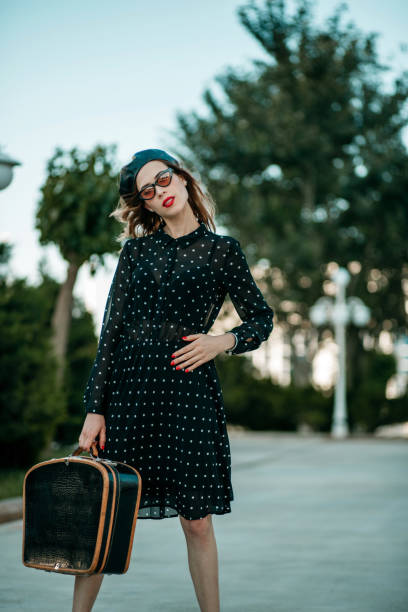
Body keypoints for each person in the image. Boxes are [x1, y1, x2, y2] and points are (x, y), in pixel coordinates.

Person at [73, 148, 274, 612]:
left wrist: (220, 342)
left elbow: (261, 320)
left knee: (197, 521)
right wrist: (94, 407)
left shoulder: (225, 251)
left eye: (163, 180)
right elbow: (111, 330)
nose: (159, 192)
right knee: (108, 514)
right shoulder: (135, 251)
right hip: (130, 391)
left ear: (182, 178)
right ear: (142, 203)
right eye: (147, 191)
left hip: (189, 393)